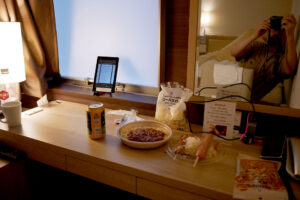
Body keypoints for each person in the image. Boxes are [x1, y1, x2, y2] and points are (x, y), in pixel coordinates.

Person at [231, 14, 297, 103]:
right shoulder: (256, 46)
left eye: (281, 30)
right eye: (273, 29)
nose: (276, 33)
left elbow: (290, 69)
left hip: (247, 101)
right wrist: (254, 35)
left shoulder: (282, 59)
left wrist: (290, 36)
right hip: (230, 89)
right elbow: (234, 52)